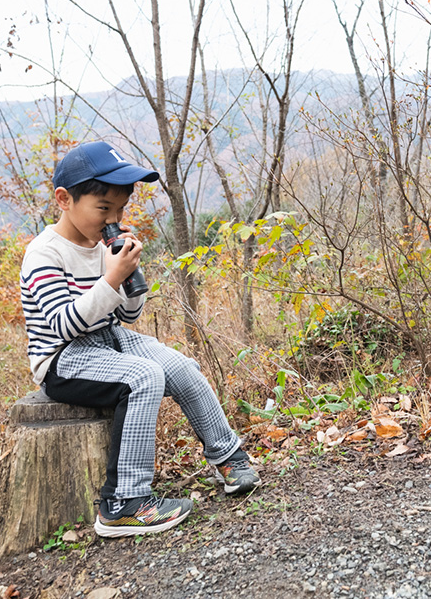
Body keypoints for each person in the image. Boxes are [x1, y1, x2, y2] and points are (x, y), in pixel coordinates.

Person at [20, 141, 261, 538]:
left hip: (107, 338)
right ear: (64, 199)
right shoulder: (45, 253)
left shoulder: (102, 248)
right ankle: (123, 503)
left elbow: (127, 316)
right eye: (103, 209)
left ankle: (229, 458)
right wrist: (111, 277)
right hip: (63, 358)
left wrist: (130, 277)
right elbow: (63, 326)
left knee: (181, 367)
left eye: (119, 210)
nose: (113, 219)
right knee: (144, 376)